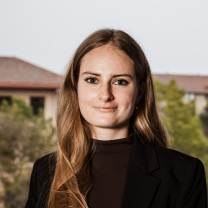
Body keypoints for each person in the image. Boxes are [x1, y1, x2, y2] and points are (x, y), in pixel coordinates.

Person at [25, 29, 207, 208]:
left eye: (120, 82)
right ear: (75, 87)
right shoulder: (45, 171)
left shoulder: (184, 173)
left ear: (139, 92)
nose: (105, 95)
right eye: (92, 80)